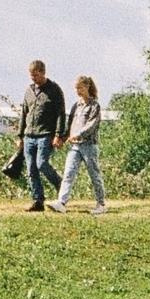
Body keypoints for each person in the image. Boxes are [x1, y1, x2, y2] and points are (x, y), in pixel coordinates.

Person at [15, 59, 67, 210]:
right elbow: (24, 114)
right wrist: (20, 136)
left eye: (36, 75)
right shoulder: (29, 91)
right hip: (29, 135)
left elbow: (60, 114)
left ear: (43, 73)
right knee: (31, 169)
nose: (34, 79)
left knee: (41, 164)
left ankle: (61, 186)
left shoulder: (54, 90)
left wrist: (58, 134)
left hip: (46, 134)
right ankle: (38, 201)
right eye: (32, 76)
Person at [56, 74, 106, 212]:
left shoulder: (94, 106)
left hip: (89, 145)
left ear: (87, 87)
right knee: (68, 173)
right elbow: (70, 124)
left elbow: (92, 125)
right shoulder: (76, 106)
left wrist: (79, 134)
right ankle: (61, 202)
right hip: (75, 146)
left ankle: (101, 204)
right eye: (76, 88)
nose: (78, 91)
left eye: (80, 88)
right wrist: (63, 137)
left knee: (94, 174)